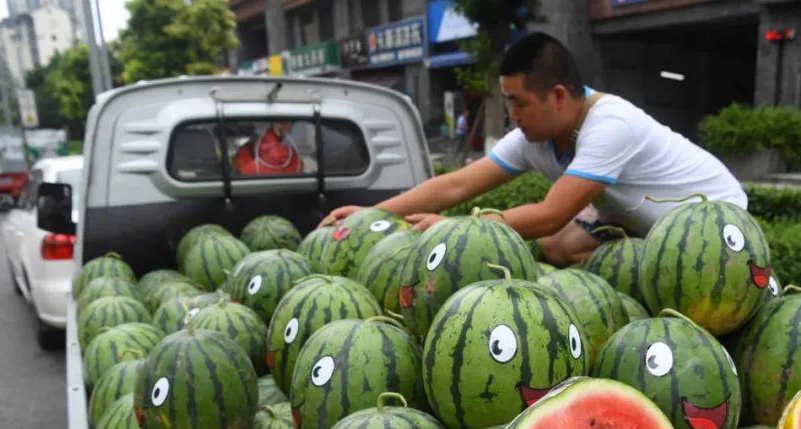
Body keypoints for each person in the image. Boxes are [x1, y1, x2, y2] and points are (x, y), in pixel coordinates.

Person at [320, 32, 746, 266]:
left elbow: (549, 214)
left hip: (713, 223)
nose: (513, 116)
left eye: (519, 103)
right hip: (639, 221)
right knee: (558, 248)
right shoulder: (535, 137)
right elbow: (457, 184)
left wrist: (455, 230)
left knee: (562, 236)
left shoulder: (612, 124)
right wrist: (373, 213)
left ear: (558, 96)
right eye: (508, 103)